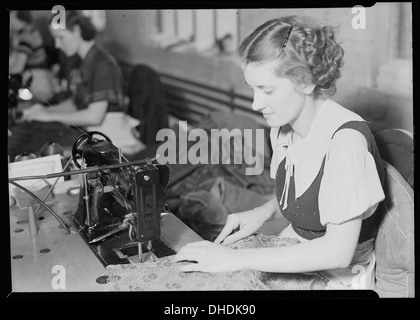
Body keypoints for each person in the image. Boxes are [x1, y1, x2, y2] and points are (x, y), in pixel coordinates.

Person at [174, 15, 386, 290]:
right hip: (297, 248)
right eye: (253, 88)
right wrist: (261, 213)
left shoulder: (345, 145)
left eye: (267, 90)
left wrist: (234, 259)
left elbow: (337, 251)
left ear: (306, 82)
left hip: (337, 276)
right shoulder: (284, 128)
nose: (255, 103)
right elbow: (306, 198)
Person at [22, 10, 144, 156]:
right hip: (94, 134)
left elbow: (94, 116)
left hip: (113, 139)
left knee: (44, 149)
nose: (57, 45)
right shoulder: (83, 61)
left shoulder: (103, 63)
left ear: (77, 30)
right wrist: (44, 110)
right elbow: (75, 103)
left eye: (61, 37)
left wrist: (49, 116)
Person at [9, 10, 55, 101]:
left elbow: (17, 68)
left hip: (37, 85)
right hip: (38, 82)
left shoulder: (26, 35)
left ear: (13, 14)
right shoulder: (27, 31)